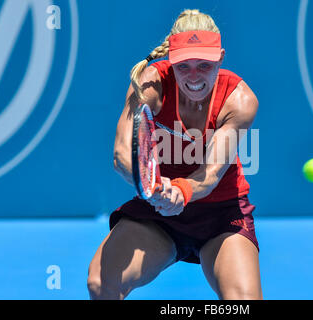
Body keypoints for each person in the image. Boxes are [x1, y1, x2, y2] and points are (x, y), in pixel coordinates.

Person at [87, 9, 261, 300]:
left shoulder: (240, 101)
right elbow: (121, 154)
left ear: (220, 57)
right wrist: (153, 188)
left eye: (204, 65)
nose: (194, 76)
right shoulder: (151, 84)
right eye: (183, 66)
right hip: (156, 214)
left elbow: (211, 174)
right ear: (171, 61)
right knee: (101, 284)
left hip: (221, 214)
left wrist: (179, 190)